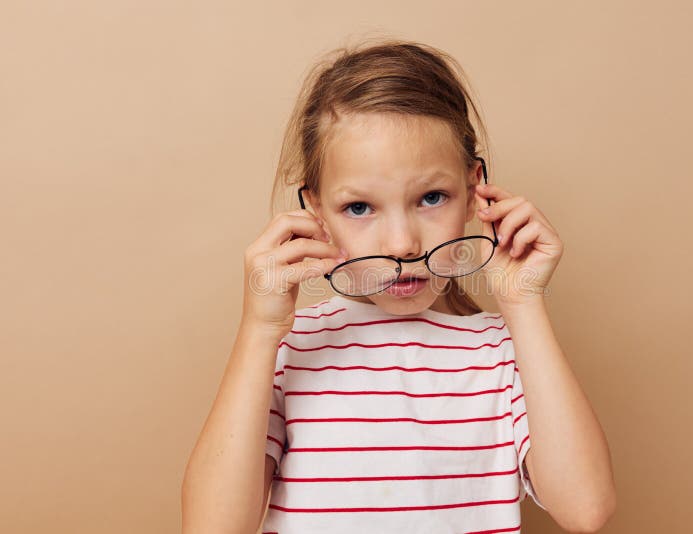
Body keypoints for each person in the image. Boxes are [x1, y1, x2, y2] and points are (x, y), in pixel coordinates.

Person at [181, 38, 616, 534]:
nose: (403, 243)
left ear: (475, 190)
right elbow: (211, 527)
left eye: (431, 197)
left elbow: (586, 510)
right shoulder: (291, 347)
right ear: (316, 210)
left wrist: (524, 305)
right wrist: (259, 332)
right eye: (360, 208)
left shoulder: (503, 350)